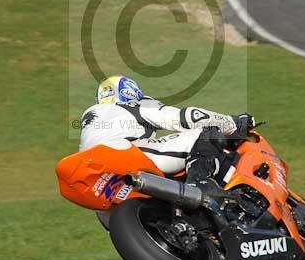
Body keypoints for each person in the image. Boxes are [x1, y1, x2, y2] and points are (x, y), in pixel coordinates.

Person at [78, 74, 255, 187]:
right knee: (207, 134)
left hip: (93, 177)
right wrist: (235, 124)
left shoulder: (91, 118)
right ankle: (200, 187)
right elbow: (188, 118)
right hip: (125, 154)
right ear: (130, 92)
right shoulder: (131, 106)